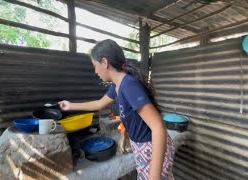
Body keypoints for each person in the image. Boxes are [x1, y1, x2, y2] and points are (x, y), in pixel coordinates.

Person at [58, 39, 175, 180]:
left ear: (105, 62)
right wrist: (70, 105)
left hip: (153, 147)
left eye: (95, 66)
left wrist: (154, 177)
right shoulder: (117, 85)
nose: (95, 71)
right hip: (142, 147)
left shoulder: (128, 86)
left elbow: (158, 127)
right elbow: (99, 104)